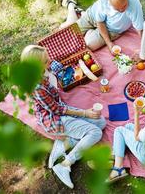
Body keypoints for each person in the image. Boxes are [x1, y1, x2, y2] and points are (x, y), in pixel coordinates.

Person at [21, 45, 106, 189]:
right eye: (46, 60)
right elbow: (57, 110)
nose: (50, 61)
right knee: (95, 132)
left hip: (59, 108)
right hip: (53, 118)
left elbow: (59, 67)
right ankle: (66, 164)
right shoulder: (37, 87)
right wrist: (85, 113)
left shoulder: (43, 70)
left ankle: (66, 142)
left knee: (101, 122)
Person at [59, 0, 144, 53]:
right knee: (69, 34)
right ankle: (71, 5)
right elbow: (100, 22)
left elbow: (140, 29)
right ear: (109, 2)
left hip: (112, 30)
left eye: (124, 6)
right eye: (117, 9)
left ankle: (83, 21)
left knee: (88, 45)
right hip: (93, 16)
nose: (122, 10)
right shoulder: (104, 0)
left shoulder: (134, 3)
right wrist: (109, 43)